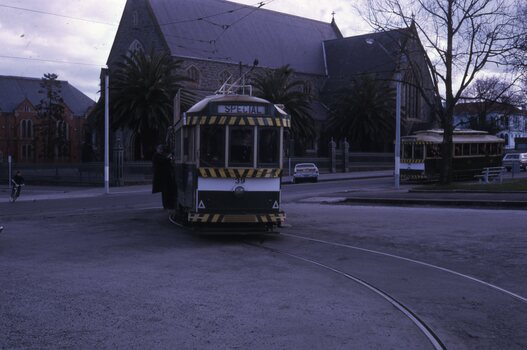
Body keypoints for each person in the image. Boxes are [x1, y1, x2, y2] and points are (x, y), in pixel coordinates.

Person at [152, 144, 176, 209]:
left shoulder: (161, 155)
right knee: (165, 192)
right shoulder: (156, 156)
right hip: (162, 177)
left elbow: (167, 161)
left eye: (161, 149)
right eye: (160, 149)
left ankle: (169, 205)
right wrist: (170, 156)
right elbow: (164, 160)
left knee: (167, 191)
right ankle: (166, 205)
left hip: (165, 177)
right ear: (157, 149)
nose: (161, 150)